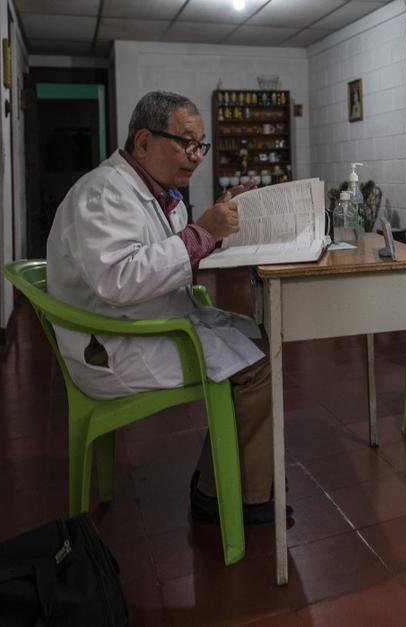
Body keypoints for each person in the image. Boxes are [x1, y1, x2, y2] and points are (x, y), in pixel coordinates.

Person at [46, 90, 290, 527]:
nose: (196, 157)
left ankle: (221, 478)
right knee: (257, 365)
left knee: (257, 337)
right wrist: (203, 233)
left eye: (201, 146)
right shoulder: (103, 192)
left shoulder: (158, 193)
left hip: (143, 322)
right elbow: (119, 279)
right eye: (187, 143)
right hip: (116, 343)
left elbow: (171, 256)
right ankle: (228, 496)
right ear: (144, 142)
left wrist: (217, 225)